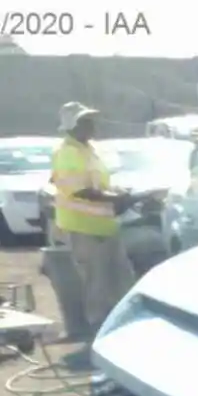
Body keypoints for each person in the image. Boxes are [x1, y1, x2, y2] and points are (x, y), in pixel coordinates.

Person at [50, 102, 137, 336]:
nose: (91, 125)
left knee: (120, 277)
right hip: (84, 228)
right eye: (85, 121)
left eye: (91, 120)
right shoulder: (67, 152)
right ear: (72, 126)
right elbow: (79, 190)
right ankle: (98, 331)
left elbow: (99, 185)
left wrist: (120, 193)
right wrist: (114, 199)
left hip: (105, 225)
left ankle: (123, 326)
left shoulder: (88, 150)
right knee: (96, 282)